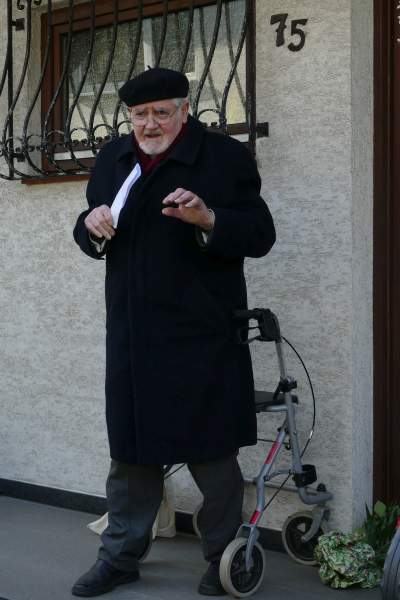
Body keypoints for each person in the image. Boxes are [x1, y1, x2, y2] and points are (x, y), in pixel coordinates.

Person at [72, 67, 276, 597]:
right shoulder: (114, 158)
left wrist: (209, 220)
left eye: (162, 112)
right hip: (133, 332)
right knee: (132, 453)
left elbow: (260, 233)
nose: (150, 124)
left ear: (185, 110)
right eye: (139, 114)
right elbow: (93, 222)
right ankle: (120, 556)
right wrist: (90, 226)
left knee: (212, 452)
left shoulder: (223, 158)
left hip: (200, 333)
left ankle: (225, 558)